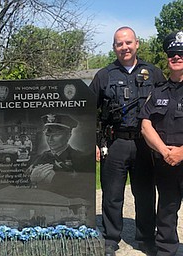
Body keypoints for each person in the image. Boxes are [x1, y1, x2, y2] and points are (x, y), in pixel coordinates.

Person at [89, 26, 166, 256]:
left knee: (145, 193)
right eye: (119, 44)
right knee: (112, 194)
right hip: (115, 143)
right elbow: (88, 110)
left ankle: (145, 238)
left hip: (145, 144)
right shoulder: (104, 75)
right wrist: (93, 141)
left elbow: (164, 108)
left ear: (137, 44)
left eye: (128, 43)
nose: (124, 47)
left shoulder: (154, 73)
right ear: (114, 47)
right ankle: (111, 238)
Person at [139, 30, 183, 256]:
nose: (176, 58)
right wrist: (165, 151)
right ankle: (166, 251)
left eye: (181, 54)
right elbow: (146, 125)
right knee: (166, 210)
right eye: (172, 54)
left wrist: (182, 152)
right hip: (166, 161)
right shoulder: (157, 92)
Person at [29, 113, 91, 198]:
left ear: (68, 135)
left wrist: (53, 179)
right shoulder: (42, 157)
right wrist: (32, 179)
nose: (50, 140)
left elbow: (85, 187)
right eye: (48, 135)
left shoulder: (80, 158)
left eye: (56, 135)